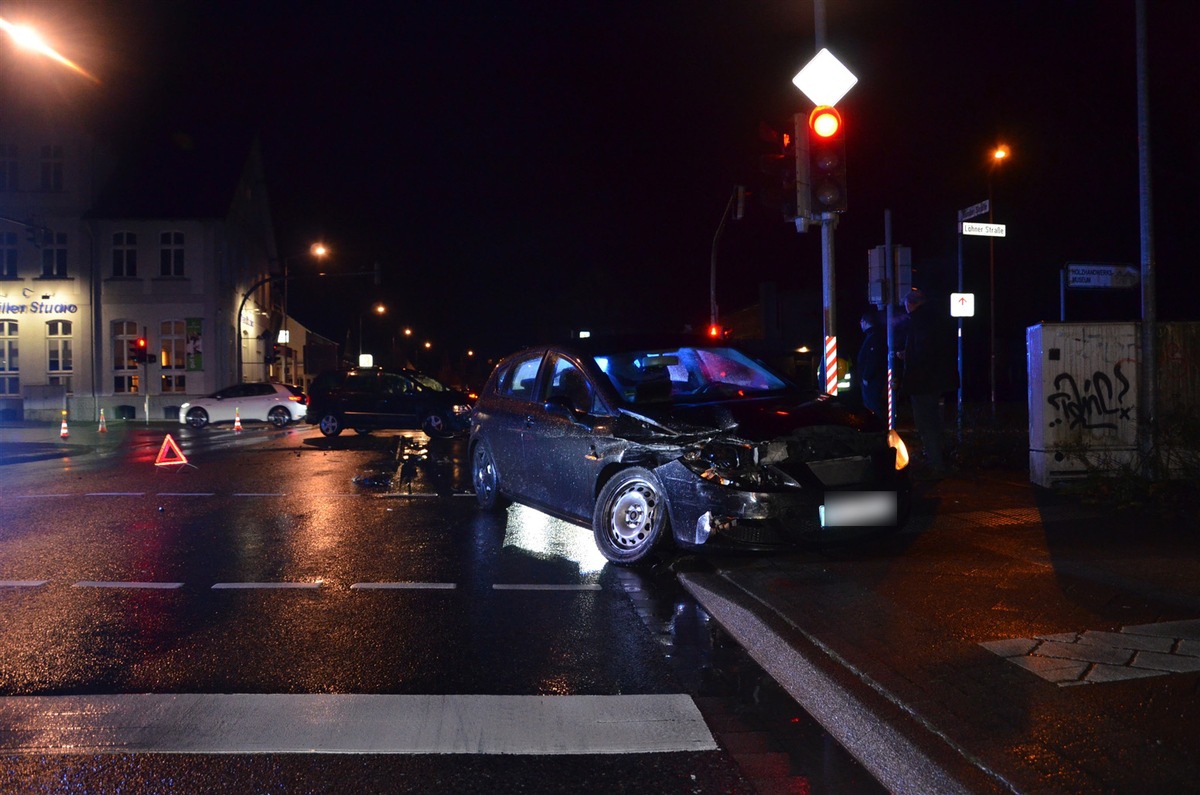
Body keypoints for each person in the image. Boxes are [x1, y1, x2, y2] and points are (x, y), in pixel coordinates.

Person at [899, 288, 958, 475]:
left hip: (923, 381)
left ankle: (935, 464)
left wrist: (907, 356)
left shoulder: (918, 322)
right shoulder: (937, 319)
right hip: (938, 380)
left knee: (925, 423)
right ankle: (936, 460)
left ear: (910, 304)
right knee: (934, 421)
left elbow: (923, 352)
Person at [856, 307, 888, 417]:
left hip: (871, 380)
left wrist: (866, 377)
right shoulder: (872, 336)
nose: (860, 324)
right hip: (871, 379)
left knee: (872, 405)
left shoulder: (873, 338)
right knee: (871, 405)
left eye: (861, 322)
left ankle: (878, 429)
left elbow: (873, 359)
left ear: (865, 322)